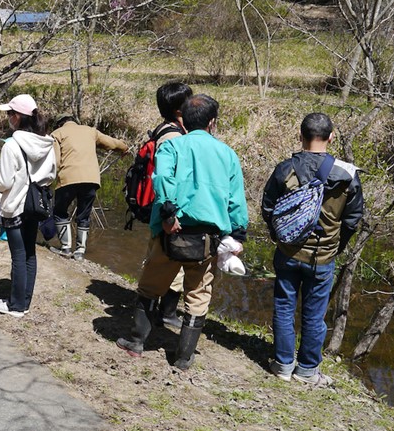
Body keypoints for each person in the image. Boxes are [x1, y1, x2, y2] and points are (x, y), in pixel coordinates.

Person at [117, 94, 248, 370]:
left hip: (170, 231)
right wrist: (238, 235)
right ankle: (183, 357)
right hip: (207, 240)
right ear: (212, 122)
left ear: (183, 120)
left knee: (151, 286)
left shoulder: (173, 147)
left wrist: (167, 214)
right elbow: (236, 200)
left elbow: (162, 178)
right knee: (198, 296)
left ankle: (137, 342)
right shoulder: (228, 154)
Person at [261, 112, 363, 387]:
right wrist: (336, 246)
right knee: (314, 313)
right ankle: (307, 370)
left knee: (284, 307)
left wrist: (280, 237)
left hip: (288, 252)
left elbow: (268, 208)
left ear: (300, 135)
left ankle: (282, 365)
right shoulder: (346, 175)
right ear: (331, 137)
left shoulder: (285, 169)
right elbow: (353, 220)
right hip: (323, 256)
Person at [122, 81, 193, 347]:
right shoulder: (173, 137)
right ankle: (165, 314)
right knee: (169, 262)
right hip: (166, 209)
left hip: (161, 207)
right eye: (189, 101)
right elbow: (168, 177)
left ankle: (161, 313)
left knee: (162, 259)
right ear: (178, 108)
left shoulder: (165, 130)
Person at [0, 94, 57, 318]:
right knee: (30, 254)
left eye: (10, 114)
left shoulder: (11, 146)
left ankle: (16, 305)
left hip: (16, 207)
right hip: (36, 206)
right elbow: (51, 175)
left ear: (18, 117)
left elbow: (4, 183)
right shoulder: (47, 142)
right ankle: (25, 300)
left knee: (18, 255)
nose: (8, 118)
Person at [50, 116, 128, 260]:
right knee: (83, 214)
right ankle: (80, 251)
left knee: (60, 211)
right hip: (91, 179)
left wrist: (49, 181)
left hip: (68, 178)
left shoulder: (57, 133)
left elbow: (55, 160)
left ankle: (66, 248)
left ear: (60, 124)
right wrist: (124, 147)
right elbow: (112, 143)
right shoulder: (90, 131)